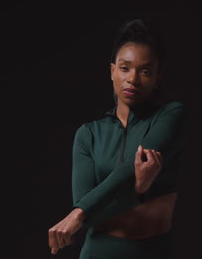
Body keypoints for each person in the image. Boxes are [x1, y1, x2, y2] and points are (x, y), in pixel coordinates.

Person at [48, 19, 188, 259]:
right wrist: (138, 190)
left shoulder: (170, 117)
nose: (132, 79)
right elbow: (88, 209)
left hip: (154, 252)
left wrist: (78, 213)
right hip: (98, 252)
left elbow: (87, 208)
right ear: (112, 70)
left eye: (145, 71)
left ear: (157, 79)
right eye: (124, 68)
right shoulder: (89, 134)